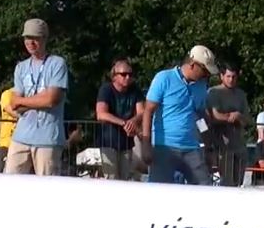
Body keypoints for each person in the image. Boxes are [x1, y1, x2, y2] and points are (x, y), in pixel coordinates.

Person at [141, 45, 218, 185]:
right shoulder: (164, 78)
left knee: (206, 189)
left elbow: (200, 118)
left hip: (191, 148)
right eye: (205, 71)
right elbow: (148, 111)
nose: (207, 75)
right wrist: (146, 145)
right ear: (193, 65)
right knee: (159, 191)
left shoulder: (201, 86)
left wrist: (208, 146)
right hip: (164, 147)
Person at [5, 18, 68, 175]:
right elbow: (13, 103)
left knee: (47, 188)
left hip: (48, 139)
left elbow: (52, 100)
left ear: (44, 39)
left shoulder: (57, 63)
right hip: (20, 137)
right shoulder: (21, 67)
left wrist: (24, 101)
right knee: (9, 185)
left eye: (35, 38)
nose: (30, 42)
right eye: (27, 38)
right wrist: (40, 99)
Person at [94, 59, 145, 180]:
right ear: (114, 76)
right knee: (111, 179)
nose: (127, 77)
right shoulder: (106, 89)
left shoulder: (135, 90)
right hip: (108, 142)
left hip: (127, 143)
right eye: (123, 74)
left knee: (125, 179)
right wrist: (124, 123)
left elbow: (142, 112)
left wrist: (133, 121)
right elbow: (101, 114)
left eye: (130, 74)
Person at [203, 66, 249, 185]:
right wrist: (231, 116)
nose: (231, 79)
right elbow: (214, 116)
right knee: (226, 180)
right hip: (221, 143)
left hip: (239, 142)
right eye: (228, 76)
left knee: (238, 181)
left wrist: (238, 116)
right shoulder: (214, 92)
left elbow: (247, 119)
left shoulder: (241, 95)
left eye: (233, 77)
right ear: (221, 76)